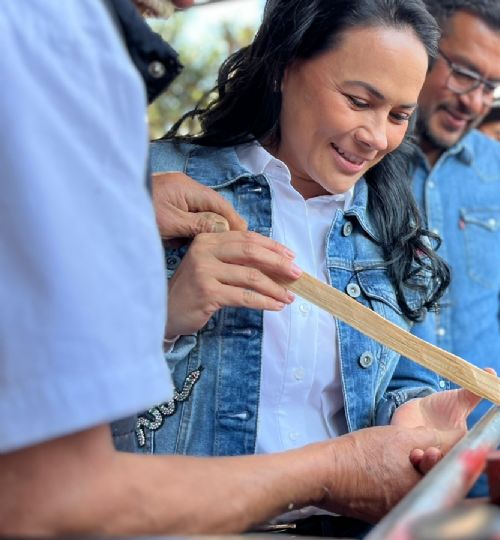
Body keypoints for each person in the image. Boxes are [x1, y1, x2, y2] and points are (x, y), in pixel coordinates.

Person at [0, 0, 475, 535]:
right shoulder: (146, 183)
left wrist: (410, 412)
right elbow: (49, 426)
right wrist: (160, 318)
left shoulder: (389, 222)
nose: (375, 136)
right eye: (358, 101)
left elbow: (395, 372)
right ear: (283, 67)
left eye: (398, 116)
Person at [408, 0, 500, 458]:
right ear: (421, 44)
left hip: (495, 443)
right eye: (464, 74)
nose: (475, 101)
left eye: (492, 87)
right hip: (390, 446)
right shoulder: (362, 158)